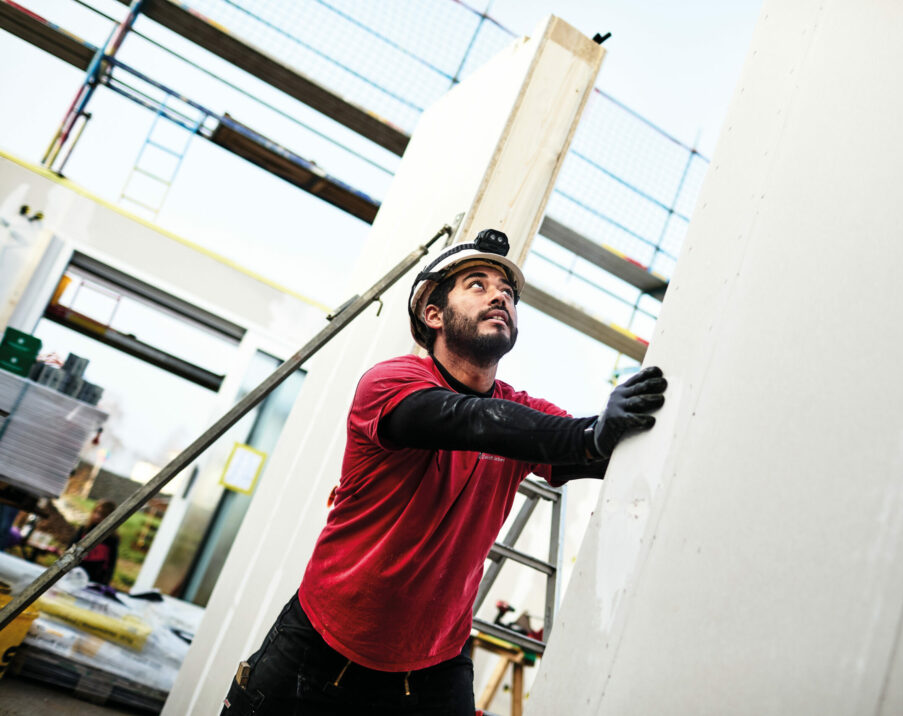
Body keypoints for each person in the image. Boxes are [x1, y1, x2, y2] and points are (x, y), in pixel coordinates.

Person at [222, 229, 667, 715]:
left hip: (433, 665)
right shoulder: (391, 382)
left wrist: (638, 428)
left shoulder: (520, 409)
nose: (500, 295)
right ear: (433, 315)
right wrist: (588, 434)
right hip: (322, 650)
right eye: (477, 284)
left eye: (508, 292)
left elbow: (602, 454)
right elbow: (469, 421)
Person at [37, 498, 119, 585]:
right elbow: (70, 550)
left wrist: (104, 582)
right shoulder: (84, 530)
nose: (97, 516)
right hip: (74, 572)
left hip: (94, 578)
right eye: (97, 512)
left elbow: (110, 564)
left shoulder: (112, 539)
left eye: (103, 515)